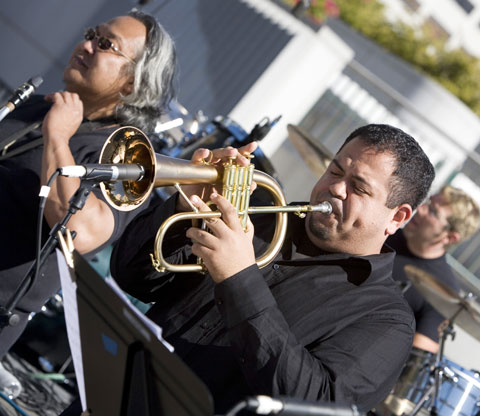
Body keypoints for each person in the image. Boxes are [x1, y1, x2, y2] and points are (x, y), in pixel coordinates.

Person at [110, 123, 436, 413]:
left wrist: (239, 279)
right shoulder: (258, 221)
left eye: (359, 188)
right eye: (335, 172)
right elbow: (132, 276)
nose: (336, 188)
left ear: (397, 217)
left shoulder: (387, 321)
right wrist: (186, 205)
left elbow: (316, 403)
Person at [0, 10, 176, 396]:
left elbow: (78, 233)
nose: (85, 45)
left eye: (105, 44)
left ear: (131, 84)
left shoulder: (125, 160)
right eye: (91, 34)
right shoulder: (44, 107)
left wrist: (58, 140)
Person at [386, 185, 480, 354]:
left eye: (433, 212)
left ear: (450, 237)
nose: (420, 209)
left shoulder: (443, 292)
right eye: (428, 202)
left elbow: (416, 359)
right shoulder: (384, 231)